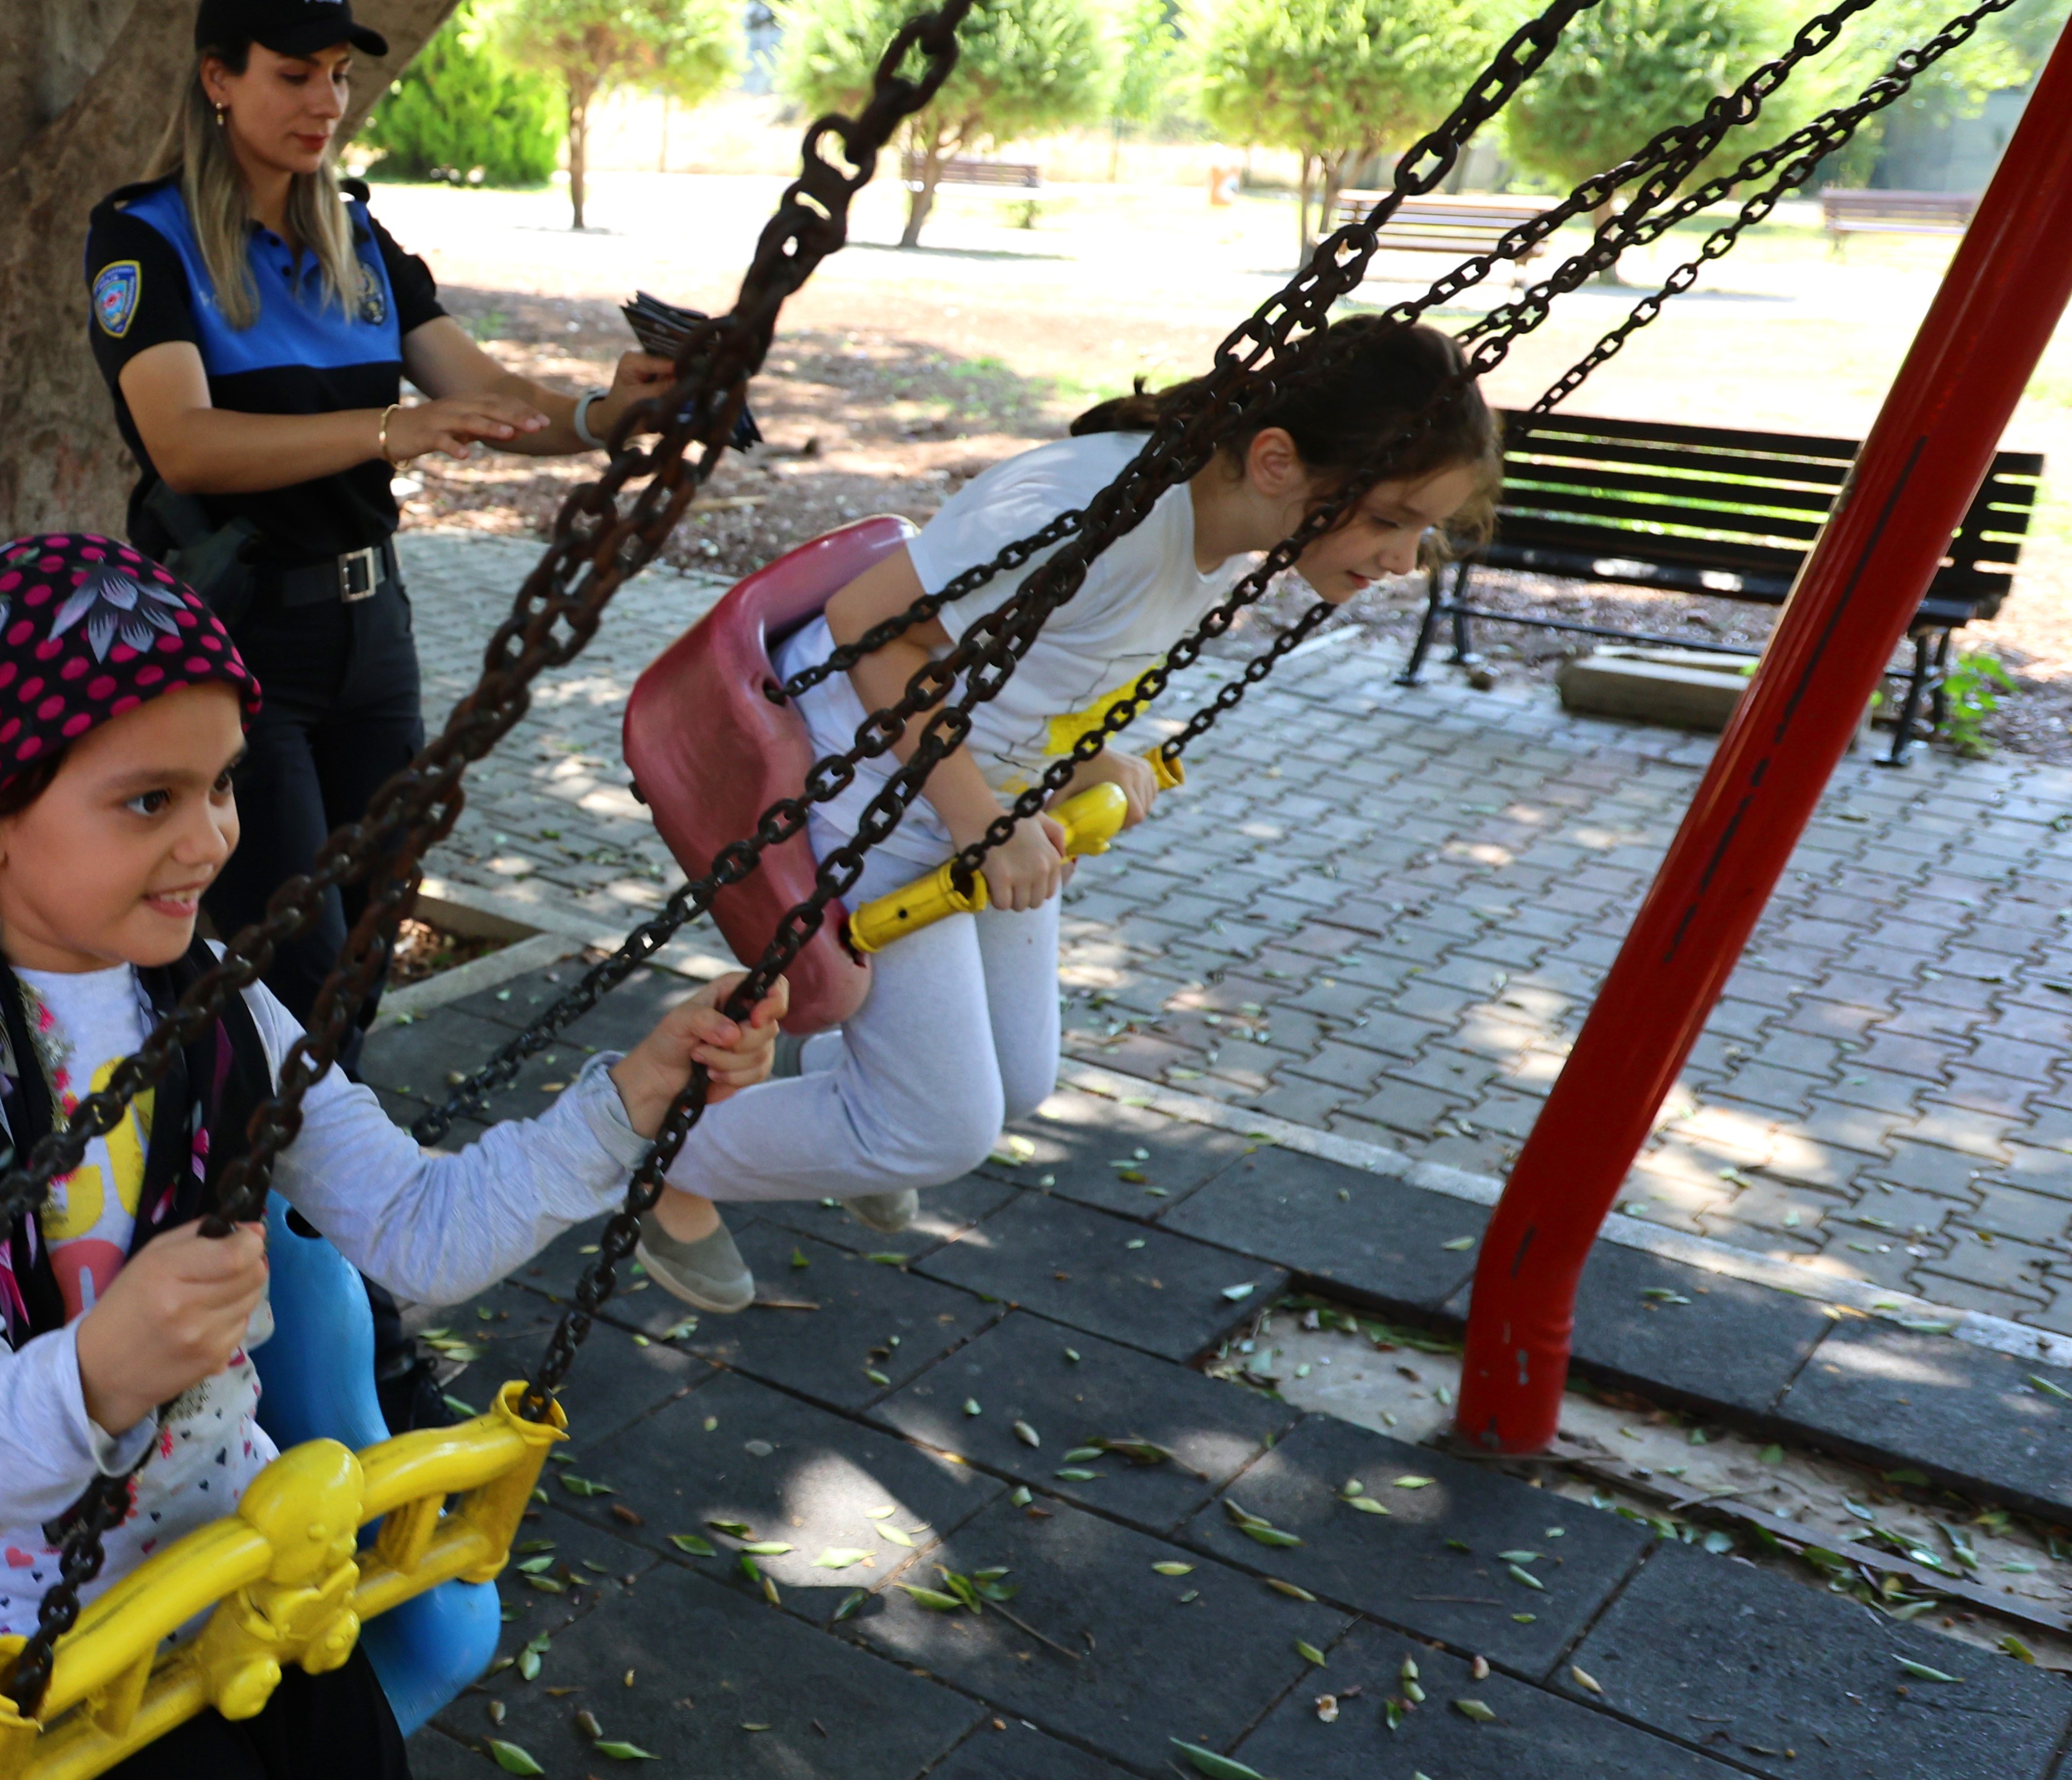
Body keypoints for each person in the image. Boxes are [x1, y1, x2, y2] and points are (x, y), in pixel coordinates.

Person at [0, 532, 782, 1780]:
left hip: (245, 1566)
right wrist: (105, 1363)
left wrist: (627, 1097)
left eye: (217, 785)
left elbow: (415, 1225)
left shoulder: (216, 999)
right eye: (148, 798)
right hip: (45, 1643)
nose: (209, 837)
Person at [88, 0, 675, 1430]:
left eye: (339, 73)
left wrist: (612, 409)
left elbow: (483, 397)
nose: (324, 99)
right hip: (233, 656)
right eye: (292, 72)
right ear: (218, 78)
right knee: (299, 974)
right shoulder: (144, 238)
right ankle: (328, 1308)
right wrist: (391, 429)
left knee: (348, 982)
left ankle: (292, 1276)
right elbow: (188, 448)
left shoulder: (359, 236)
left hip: (370, 639)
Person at [631, 316, 1503, 1313]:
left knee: (1014, 1083)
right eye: (1390, 519)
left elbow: (1037, 666)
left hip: (964, 788)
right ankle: (656, 1153)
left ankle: (860, 1097)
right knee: (939, 1131)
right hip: (856, 782)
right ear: (1273, 459)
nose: (1402, 559)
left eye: (1420, 530)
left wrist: (1092, 752)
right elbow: (870, 634)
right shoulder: (1099, 508)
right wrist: (983, 826)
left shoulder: (1223, 522)